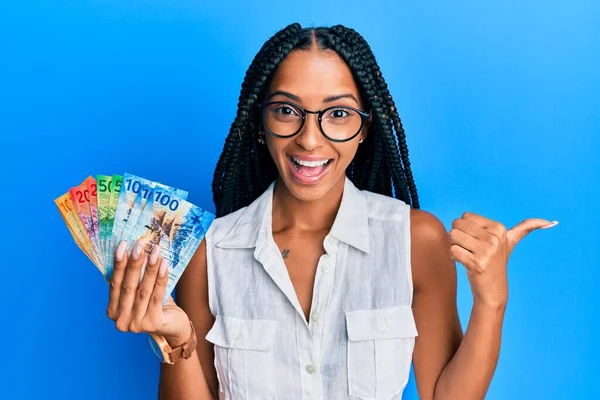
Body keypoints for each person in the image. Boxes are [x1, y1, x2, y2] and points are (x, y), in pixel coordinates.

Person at [106, 23, 557, 399]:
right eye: (287, 110)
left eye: (337, 114)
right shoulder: (212, 252)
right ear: (261, 125)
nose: (310, 139)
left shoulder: (414, 240)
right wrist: (176, 340)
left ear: (365, 128)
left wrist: (491, 299)